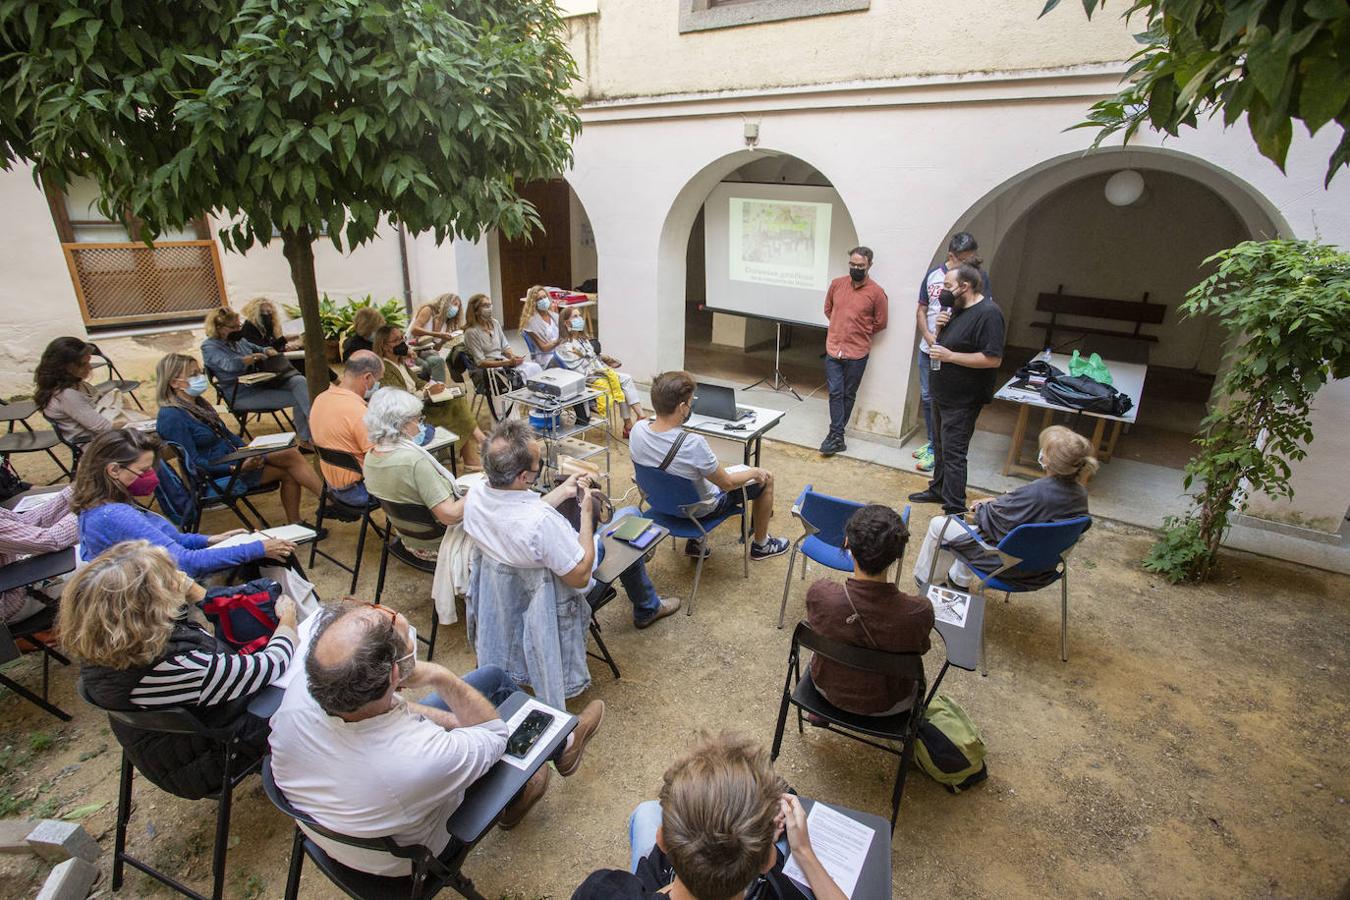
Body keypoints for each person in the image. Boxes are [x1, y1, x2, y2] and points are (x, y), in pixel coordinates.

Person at [268, 599, 603, 875]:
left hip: (342, 834)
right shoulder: (420, 759)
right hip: (413, 857)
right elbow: (494, 735)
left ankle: (562, 746)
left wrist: (454, 723)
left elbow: (388, 710)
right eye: (388, 619)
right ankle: (540, 772)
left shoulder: (307, 691)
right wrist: (439, 676)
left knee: (491, 677)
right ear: (396, 674)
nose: (384, 609)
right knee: (499, 727)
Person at [463, 420, 678, 703]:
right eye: (537, 468)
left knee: (617, 528)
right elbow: (581, 576)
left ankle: (647, 603)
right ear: (523, 477)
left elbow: (518, 515)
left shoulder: (476, 496)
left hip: (506, 599)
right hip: (556, 596)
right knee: (629, 516)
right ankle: (648, 606)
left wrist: (564, 491)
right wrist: (586, 515)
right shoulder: (541, 524)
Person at [63, 541, 297, 799]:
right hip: (213, 757)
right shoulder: (171, 667)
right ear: (148, 606)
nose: (180, 577)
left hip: (175, 750)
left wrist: (194, 594)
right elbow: (270, 665)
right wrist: (287, 622)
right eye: (167, 578)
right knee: (309, 685)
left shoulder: (109, 648)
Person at [572, 731, 845, 900]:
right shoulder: (773, 876)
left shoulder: (601, 890)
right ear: (768, 860)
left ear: (662, 841)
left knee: (646, 812)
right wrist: (803, 851)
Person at [72, 429, 295, 579]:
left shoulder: (109, 503)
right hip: (156, 595)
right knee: (272, 559)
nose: (151, 476)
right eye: (144, 470)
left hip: (158, 583)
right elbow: (185, 562)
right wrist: (257, 548)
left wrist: (209, 540)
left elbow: (170, 541)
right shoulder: (114, 514)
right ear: (113, 470)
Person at [628, 371, 788, 561]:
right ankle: (762, 545)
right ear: (682, 408)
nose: (690, 407)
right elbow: (727, 483)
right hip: (699, 511)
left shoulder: (637, 430)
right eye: (690, 403)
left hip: (659, 502)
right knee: (766, 479)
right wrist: (754, 471)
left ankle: (696, 542)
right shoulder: (693, 444)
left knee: (689, 475)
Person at [915, 425, 1095, 590]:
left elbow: (995, 523)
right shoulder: (1080, 494)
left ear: (1050, 461)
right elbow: (1032, 511)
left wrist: (984, 506)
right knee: (973, 526)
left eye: (1046, 450)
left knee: (941, 524)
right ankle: (959, 581)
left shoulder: (1036, 492)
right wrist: (1006, 499)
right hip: (1043, 566)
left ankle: (928, 581)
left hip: (1008, 566)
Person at [155, 353, 322, 525]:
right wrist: (236, 467)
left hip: (235, 460)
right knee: (289, 459)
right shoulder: (171, 416)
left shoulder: (199, 404)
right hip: (217, 476)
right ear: (174, 383)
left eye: (200, 372)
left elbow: (227, 434)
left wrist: (250, 453)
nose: (200, 377)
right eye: (193, 374)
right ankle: (326, 502)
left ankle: (305, 516)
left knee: (289, 456)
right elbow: (194, 463)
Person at [804, 504, 932, 716]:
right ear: (898, 554)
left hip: (826, 691)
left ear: (847, 543)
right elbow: (921, 648)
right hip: (890, 705)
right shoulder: (918, 612)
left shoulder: (821, 594)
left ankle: (819, 714)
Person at [361, 388, 473, 619]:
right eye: (417, 419)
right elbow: (449, 515)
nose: (420, 424)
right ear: (402, 425)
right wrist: (480, 492)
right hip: (438, 543)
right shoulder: (413, 462)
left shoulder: (371, 458)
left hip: (408, 538)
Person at [908, 260, 1005, 516]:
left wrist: (951, 357)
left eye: (948, 286)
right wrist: (940, 326)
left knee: (954, 452)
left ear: (965, 286)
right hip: (942, 391)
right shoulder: (957, 309)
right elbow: (944, 344)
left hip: (964, 398)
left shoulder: (989, 313)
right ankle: (938, 489)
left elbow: (993, 359)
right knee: (940, 446)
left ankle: (954, 506)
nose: (943, 291)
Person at [915, 232, 990, 474]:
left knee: (947, 409)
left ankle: (942, 451)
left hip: (952, 355)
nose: (971, 264)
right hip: (930, 348)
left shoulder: (978, 281)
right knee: (928, 397)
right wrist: (929, 335)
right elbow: (922, 308)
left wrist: (950, 351)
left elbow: (977, 313)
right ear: (952, 256)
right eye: (965, 260)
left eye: (972, 258)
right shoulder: (933, 275)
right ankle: (933, 444)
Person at [372, 323, 484, 470]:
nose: (402, 343)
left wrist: (432, 387)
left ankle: (473, 451)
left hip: (420, 403)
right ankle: (479, 443)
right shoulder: (385, 369)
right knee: (458, 407)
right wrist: (427, 392)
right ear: (385, 346)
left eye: (402, 338)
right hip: (411, 415)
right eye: (396, 340)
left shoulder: (399, 362)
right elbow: (399, 397)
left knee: (457, 400)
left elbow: (418, 382)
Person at [201, 307, 313, 444]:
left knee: (299, 381)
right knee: (301, 397)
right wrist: (248, 359)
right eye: (233, 327)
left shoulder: (239, 341)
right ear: (219, 328)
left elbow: (258, 348)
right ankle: (309, 438)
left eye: (239, 325)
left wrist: (268, 350)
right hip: (242, 393)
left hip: (262, 382)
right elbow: (228, 365)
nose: (238, 329)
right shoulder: (209, 347)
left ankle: (313, 432)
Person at [820, 247, 888, 457]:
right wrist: (839, 327)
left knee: (848, 394)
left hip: (857, 353)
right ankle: (836, 435)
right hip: (834, 349)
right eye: (852, 264)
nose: (856, 268)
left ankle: (835, 437)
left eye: (860, 266)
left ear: (869, 265)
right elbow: (828, 309)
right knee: (835, 392)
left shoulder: (877, 293)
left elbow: (881, 322)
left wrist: (859, 330)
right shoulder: (837, 284)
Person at [554, 306, 646, 436]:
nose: (580, 319)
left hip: (597, 372)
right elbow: (580, 370)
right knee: (623, 382)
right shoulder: (564, 346)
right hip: (586, 380)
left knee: (625, 380)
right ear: (566, 323)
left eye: (579, 315)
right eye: (575, 316)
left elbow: (591, 358)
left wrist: (604, 359)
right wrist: (600, 366)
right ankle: (631, 423)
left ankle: (634, 420)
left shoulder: (582, 339)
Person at [34, 336, 146, 443]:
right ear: (66, 367)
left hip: (106, 437)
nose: (89, 367)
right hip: (96, 444)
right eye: (84, 364)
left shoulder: (77, 385)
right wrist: (135, 424)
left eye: (88, 362)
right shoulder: (66, 395)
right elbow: (104, 428)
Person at [309, 351, 384, 506]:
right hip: (359, 491)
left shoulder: (321, 399)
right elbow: (379, 459)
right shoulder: (358, 412)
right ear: (367, 377)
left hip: (331, 486)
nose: (377, 386)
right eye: (378, 380)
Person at [0, 485, 78, 623]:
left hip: (15, 577)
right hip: (11, 600)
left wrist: (83, 487)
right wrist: (89, 508)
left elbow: (27, 522)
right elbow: (50, 541)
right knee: (100, 560)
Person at [462, 292, 544, 382]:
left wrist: (512, 357)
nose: (489, 308)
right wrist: (507, 362)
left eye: (490, 305)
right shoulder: (471, 332)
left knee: (535, 367)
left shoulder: (495, 323)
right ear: (476, 310)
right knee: (522, 376)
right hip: (489, 371)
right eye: (485, 305)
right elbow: (480, 362)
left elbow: (505, 347)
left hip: (502, 363)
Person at [520, 285, 562, 365]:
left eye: (544, 297)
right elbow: (544, 348)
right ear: (534, 303)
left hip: (559, 351)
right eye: (539, 299)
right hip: (547, 357)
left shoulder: (554, 316)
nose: (543, 300)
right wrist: (560, 340)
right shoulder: (531, 323)